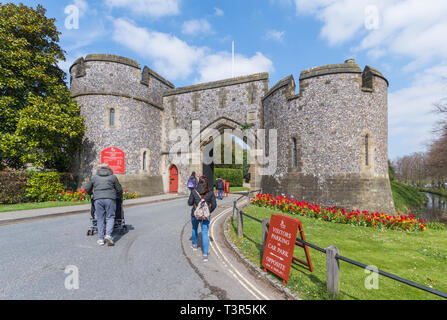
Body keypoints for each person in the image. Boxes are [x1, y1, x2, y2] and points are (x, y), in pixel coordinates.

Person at [85, 163, 123, 246]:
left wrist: (91, 193)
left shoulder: (94, 177)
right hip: (110, 199)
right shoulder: (113, 177)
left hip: (98, 199)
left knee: (100, 218)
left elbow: (87, 188)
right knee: (110, 217)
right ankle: (108, 235)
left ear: (99, 169)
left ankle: (101, 239)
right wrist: (118, 194)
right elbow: (119, 189)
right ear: (108, 169)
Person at [188, 176, 217, 261]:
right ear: (207, 182)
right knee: (204, 233)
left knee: (194, 228)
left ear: (198, 182)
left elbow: (189, 203)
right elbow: (214, 205)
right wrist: (207, 212)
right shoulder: (210, 192)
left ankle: (195, 245)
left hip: (195, 214)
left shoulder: (194, 191)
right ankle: (205, 255)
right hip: (205, 216)